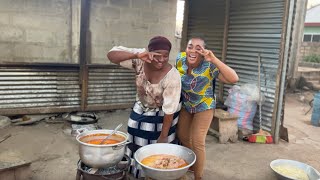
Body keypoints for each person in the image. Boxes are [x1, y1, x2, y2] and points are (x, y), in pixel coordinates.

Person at [107, 36, 181, 178]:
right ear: (149, 52)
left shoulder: (173, 76)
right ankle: (136, 171)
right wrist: (136, 54)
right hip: (142, 105)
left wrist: (163, 136)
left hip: (164, 110)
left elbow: (169, 110)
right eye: (157, 55)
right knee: (133, 129)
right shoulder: (140, 59)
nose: (161, 60)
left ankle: (155, 172)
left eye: (166, 56)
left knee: (156, 142)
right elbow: (112, 55)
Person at [176, 37, 239, 180]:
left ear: (204, 51)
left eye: (198, 48)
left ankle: (198, 177)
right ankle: (193, 163)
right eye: (190, 46)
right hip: (187, 104)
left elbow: (234, 79)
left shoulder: (208, 66)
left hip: (205, 105)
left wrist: (214, 59)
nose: (193, 51)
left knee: (198, 141)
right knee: (183, 136)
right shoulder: (180, 58)